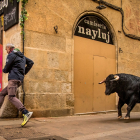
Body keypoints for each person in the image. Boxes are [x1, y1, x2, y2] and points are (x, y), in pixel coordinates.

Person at [1, 43, 34, 127]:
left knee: (11, 97)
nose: (6, 51)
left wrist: (4, 70)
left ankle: (25, 112)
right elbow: (31, 62)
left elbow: (7, 68)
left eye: (6, 49)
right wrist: (23, 72)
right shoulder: (21, 56)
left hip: (13, 79)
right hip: (19, 79)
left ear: (9, 48)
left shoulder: (11, 55)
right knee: (2, 93)